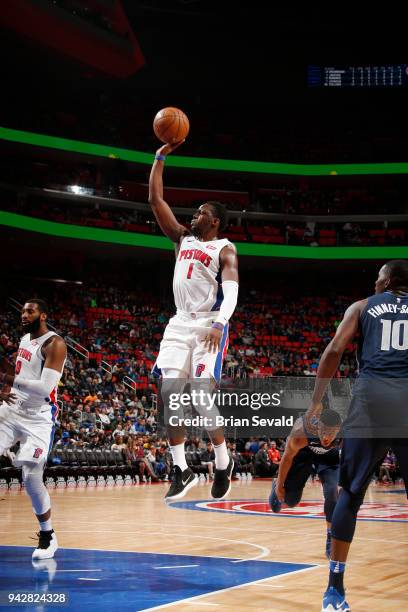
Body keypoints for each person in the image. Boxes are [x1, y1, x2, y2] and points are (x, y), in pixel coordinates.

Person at [296, 261, 408, 611]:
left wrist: (316, 403)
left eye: (377, 277)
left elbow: (333, 351)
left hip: (372, 397)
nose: (374, 282)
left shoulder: (362, 307)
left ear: (387, 281)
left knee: (352, 493)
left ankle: (334, 590)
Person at [148, 140, 239, 501]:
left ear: (214, 221)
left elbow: (230, 291)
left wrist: (220, 323)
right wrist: (160, 157)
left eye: (200, 212)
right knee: (169, 396)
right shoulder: (183, 239)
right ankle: (181, 469)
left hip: (209, 323)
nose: (193, 216)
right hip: (179, 323)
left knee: (201, 397)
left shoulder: (224, 248)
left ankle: (222, 461)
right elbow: (156, 201)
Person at [0, 299, 67, 560]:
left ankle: (48, 535)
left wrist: (6, 379)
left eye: (30, 311)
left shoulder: (55, 344)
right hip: (12, 410)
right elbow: (19, 373)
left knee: (30, 477)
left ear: (43, 315)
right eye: (22, 311)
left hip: (39, 417)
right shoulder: (25, 338)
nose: (24, 314)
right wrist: (6, 390)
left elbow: (42, 388)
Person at [269, 408, 341, 559]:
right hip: (304, 453)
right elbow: (287, 458)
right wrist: (281, 485)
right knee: (291, 500)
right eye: (324, 431)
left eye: (331, 433)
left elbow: (350, 459)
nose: (327, 437)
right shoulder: (301, 433)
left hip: (328, 458)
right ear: (317, 426)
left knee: (332, 493)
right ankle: (275, 485)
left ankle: (331, 536)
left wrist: (343, 482)